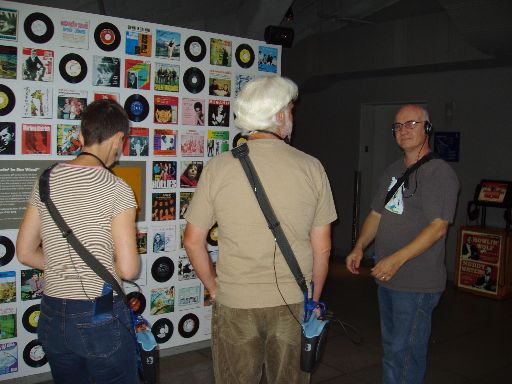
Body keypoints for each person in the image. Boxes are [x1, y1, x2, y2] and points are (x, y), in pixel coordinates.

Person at [183, 75, 337, 384]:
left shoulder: (219, 167)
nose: (292, 118)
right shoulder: (311, 167)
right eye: (290, 111)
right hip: (294, 303)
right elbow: (323, 247)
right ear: (279, 115)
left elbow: (192, 241)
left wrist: (214, 287)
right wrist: (313, 299)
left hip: (236, 302)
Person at [16, 99, 140, 384]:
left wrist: (63, 268)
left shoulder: (46, 179)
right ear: (119, 139)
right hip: (99, 314)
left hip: (51, 314)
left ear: (82, 137)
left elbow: (24, 251)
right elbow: (130, 269)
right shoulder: (117, 188)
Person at [345, 104, 459, 384]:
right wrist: (360, 246)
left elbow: (438, 228)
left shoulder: (438, 173)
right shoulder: (392, 171)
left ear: (427, 129)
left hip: (416, 284)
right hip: (388, 280)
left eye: (411, 124)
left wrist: (396, 259)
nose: (403, 131)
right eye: (398, 126)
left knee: (404, 355)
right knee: (393, 351)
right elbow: (376, 213)